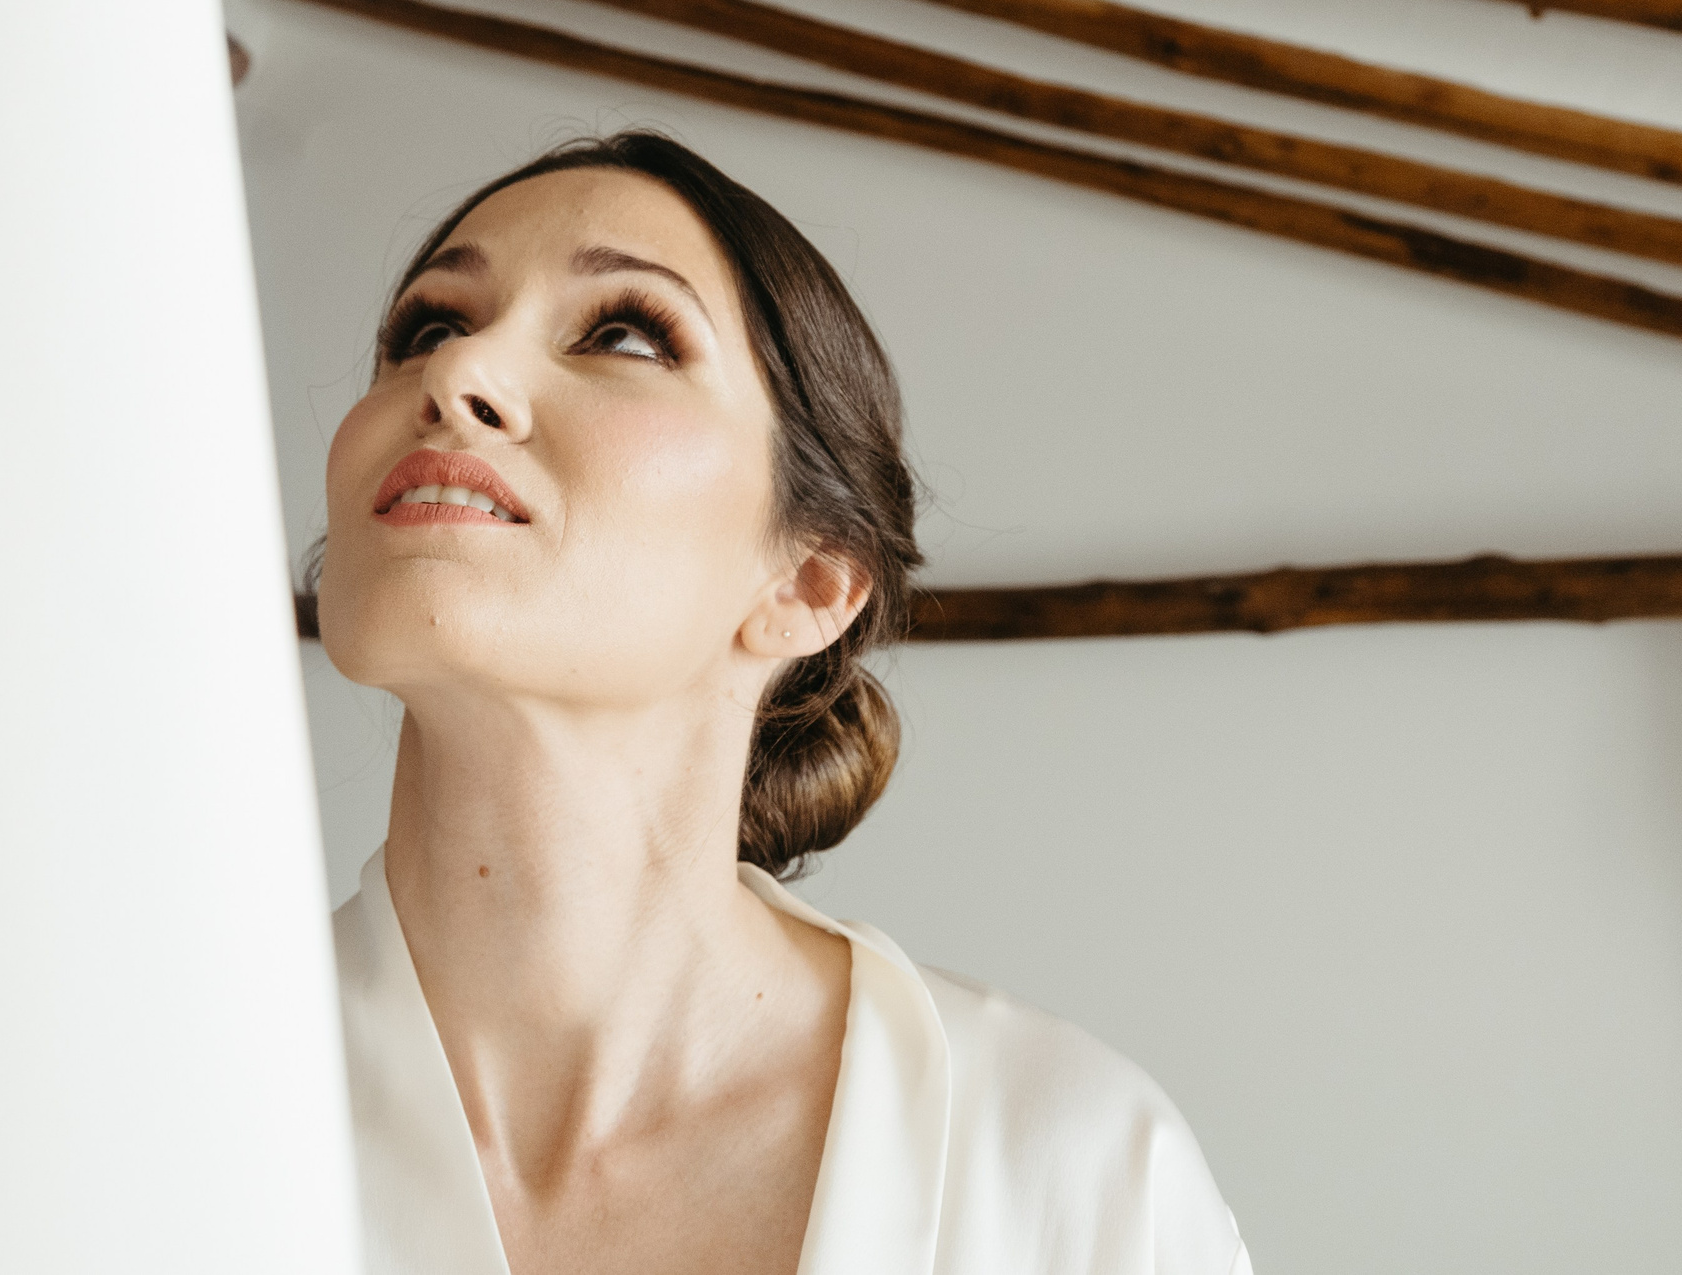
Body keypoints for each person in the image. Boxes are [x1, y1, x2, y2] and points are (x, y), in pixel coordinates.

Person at [314, 130, 1251, 1275]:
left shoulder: (1071, 1174)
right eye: (427, 329)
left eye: (623, 333)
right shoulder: (141, 1093)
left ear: (807, 583)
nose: (455, 373)